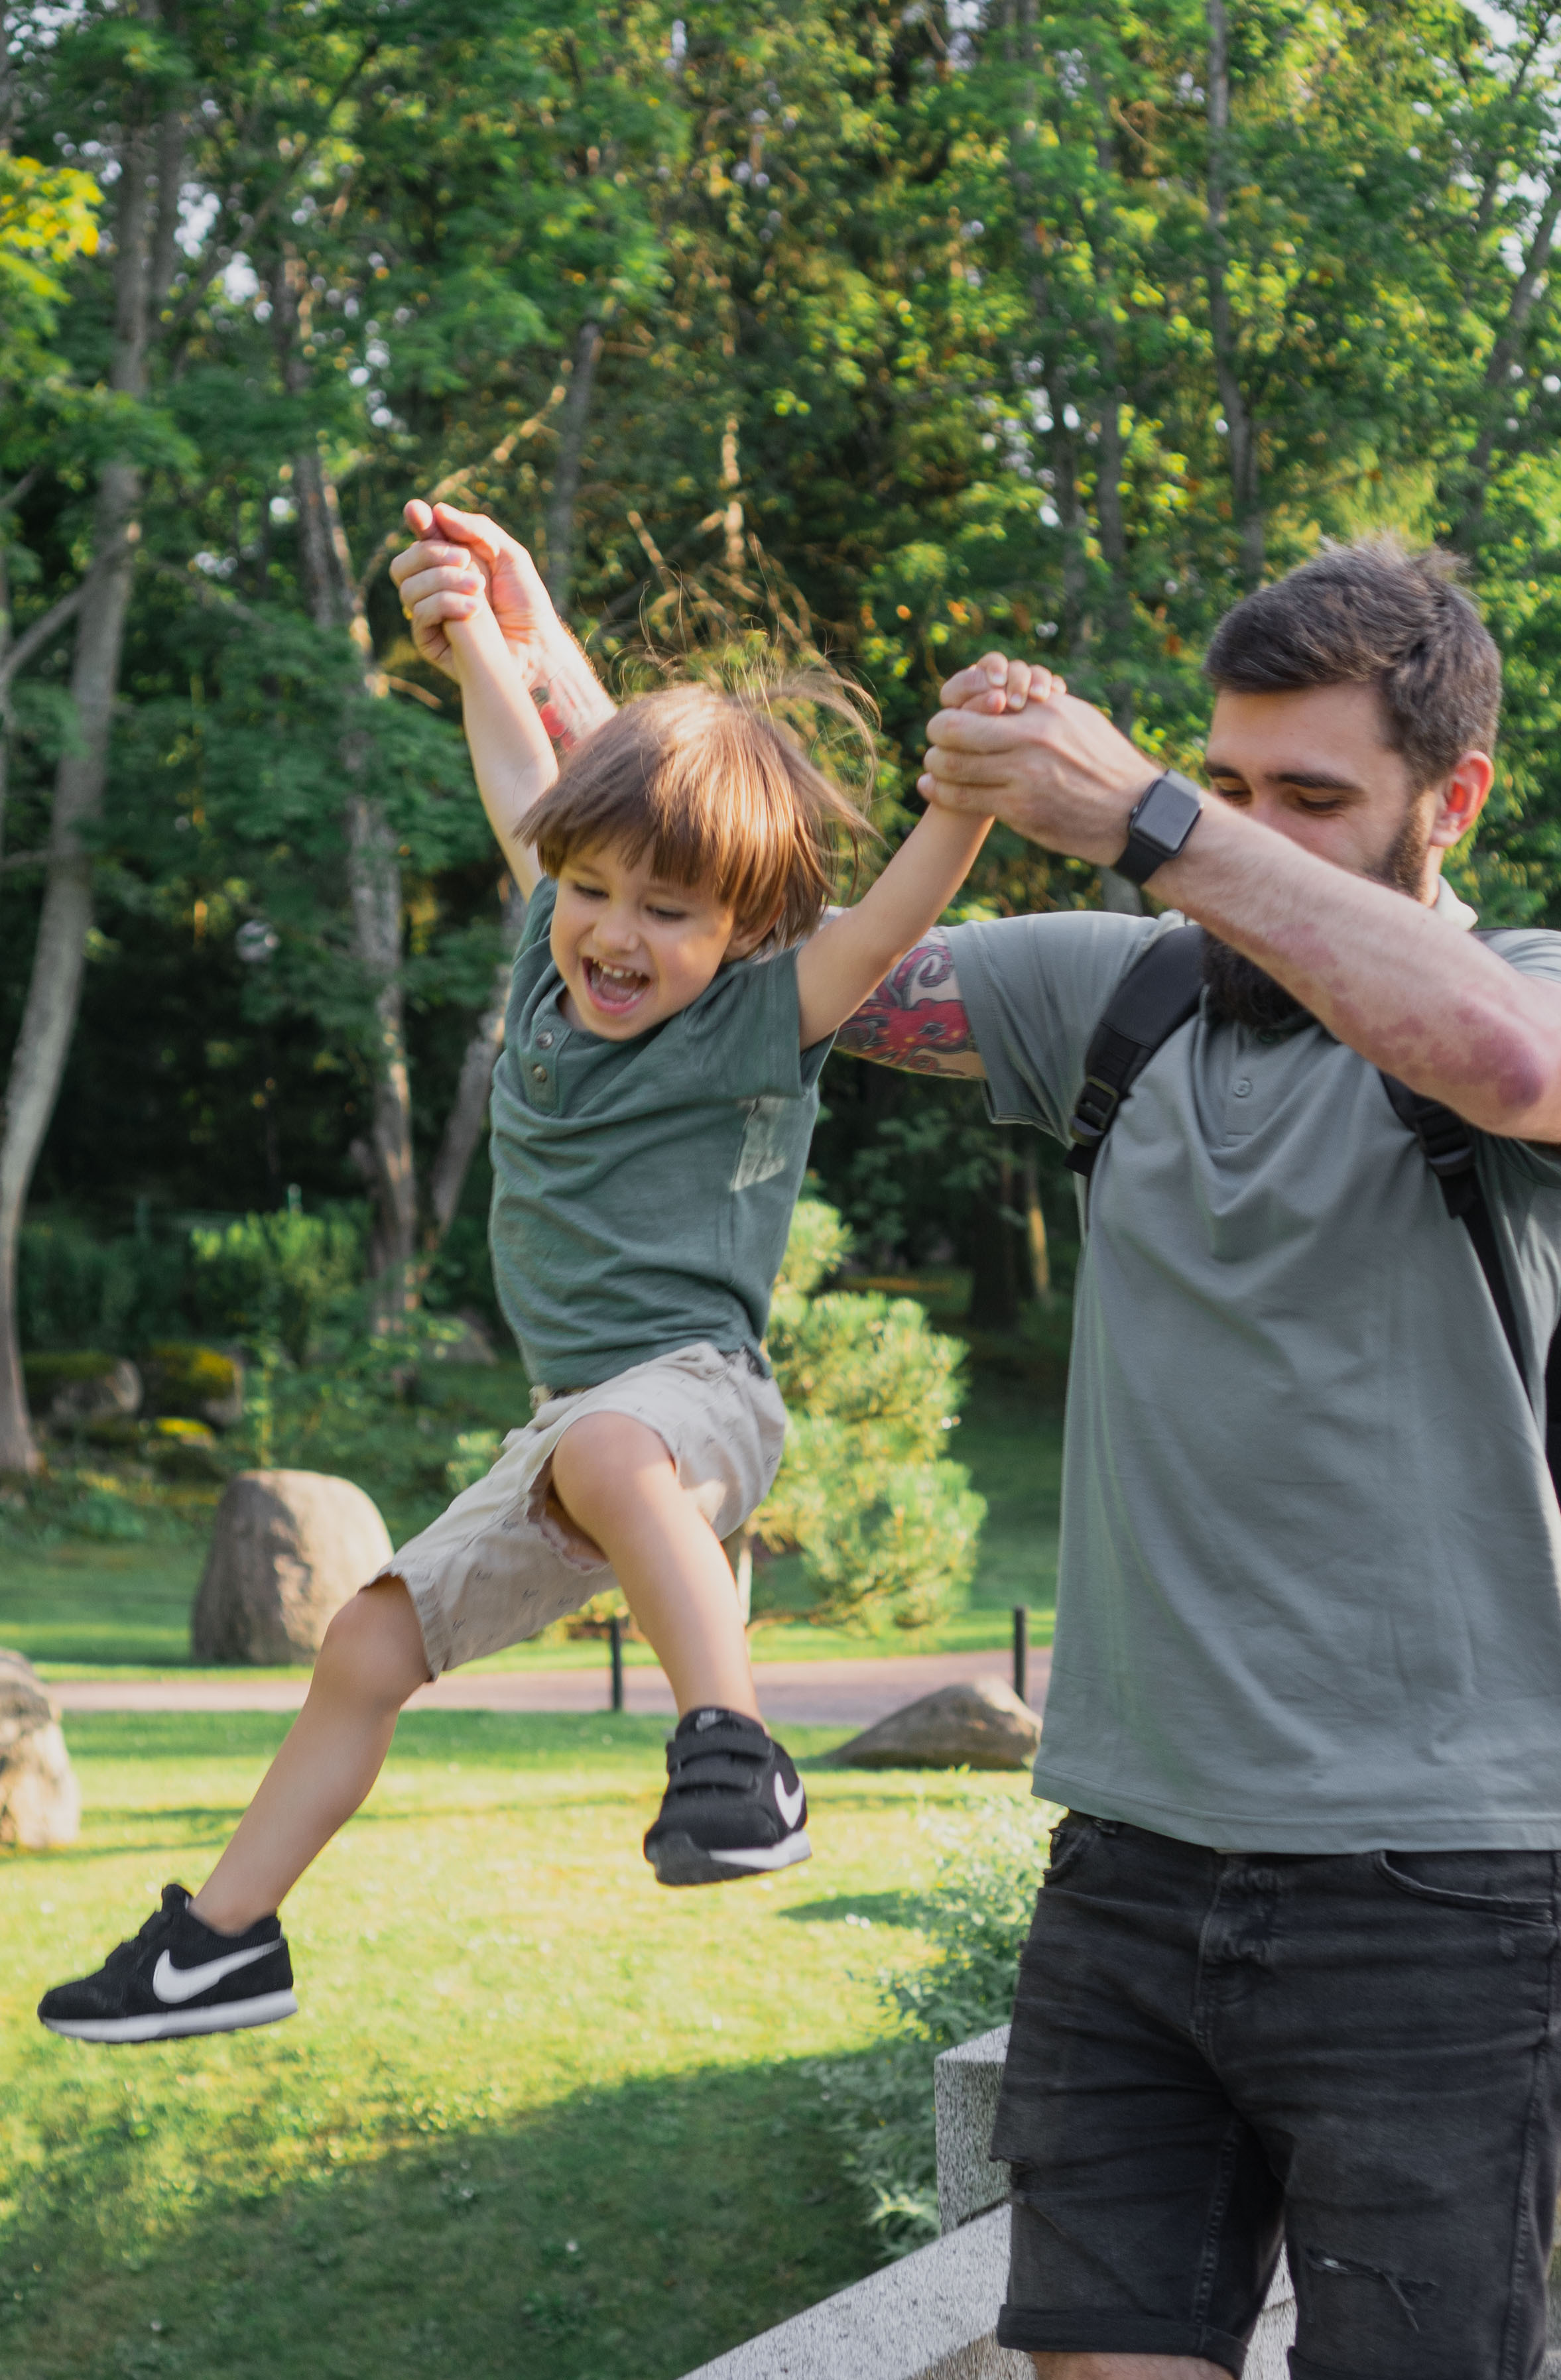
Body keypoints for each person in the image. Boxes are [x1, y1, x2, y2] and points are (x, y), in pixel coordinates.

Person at [383, 519, 1561, 2380]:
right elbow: (742, 961)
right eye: (1229, 781)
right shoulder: (1119, 1002)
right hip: (1126, 1867)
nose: (1252, 829)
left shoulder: (1535, 995)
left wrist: (1138, 811)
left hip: (1430, 1892)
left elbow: (1515, 1053)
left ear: (1449, 800)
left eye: (1316, 796)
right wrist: (554, 671)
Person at [37, 502, 1059, 2048]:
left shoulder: (764, 1015)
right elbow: (525, 770)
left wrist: (967, 791)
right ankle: (221, 1945)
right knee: (366, 1641)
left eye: (667, 912)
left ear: (744, 926)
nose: (613, 935)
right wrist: (468, 642)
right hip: (569, 1423)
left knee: (606, 1445)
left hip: (693, 1406)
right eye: (593, 890)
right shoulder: (541, 941)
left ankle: (735, 1757)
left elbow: (905, 907)